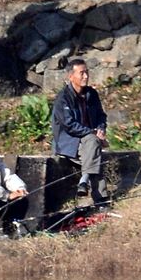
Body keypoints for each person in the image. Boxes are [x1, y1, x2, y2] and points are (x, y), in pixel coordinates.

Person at [51, 59, 108, 204]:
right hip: (70, 142)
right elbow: (69, 125)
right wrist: (93, 133)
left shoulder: (92, 94)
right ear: (71, 76)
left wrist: (100, 129)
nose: (86, 76)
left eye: (87, 72)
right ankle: (101, 199)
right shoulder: (62, 98)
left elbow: (101, 115)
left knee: (93, 146)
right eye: (81, 73)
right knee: (94, 149)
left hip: (89, 140)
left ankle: (84, 182)